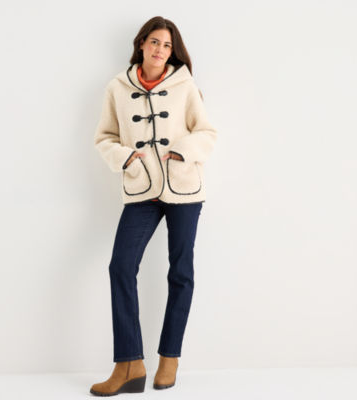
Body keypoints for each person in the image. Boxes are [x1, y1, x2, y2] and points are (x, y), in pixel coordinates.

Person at [90, 16, 217, 396]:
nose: (160, 50)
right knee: (121, 266)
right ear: (142, 44)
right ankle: (129, 364)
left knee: (181, 273)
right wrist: (126, 157)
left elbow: (206, 131)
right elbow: (105, 137)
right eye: (155, 42)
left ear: (172, 51)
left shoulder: (184, 85)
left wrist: (182, 152)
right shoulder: (117, 87)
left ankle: (169, 358)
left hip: (183, 187)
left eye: (167, 45)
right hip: (142, 188)